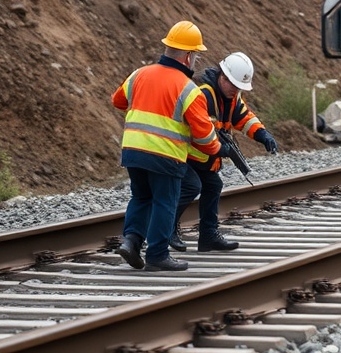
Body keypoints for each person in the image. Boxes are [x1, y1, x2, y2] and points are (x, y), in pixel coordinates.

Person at [111, 20, 224, 272]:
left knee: (141, 197)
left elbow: (118, 100)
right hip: (165, 155)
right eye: (196, 55)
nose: (196, 61)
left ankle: (131, 241)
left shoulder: (139, 74)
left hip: (132, 150)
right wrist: (217, 149)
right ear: (187, 56)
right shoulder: (188, 89)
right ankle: (157, 255)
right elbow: (204, 136)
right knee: (165, 201)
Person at [169, 51, 278, 253]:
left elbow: (244, 118)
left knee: (213, 185)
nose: (236, 91)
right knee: (190, 187)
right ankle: (167, 228)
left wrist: (262, 134)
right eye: (234, 85)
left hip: (203, 156)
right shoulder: (203, 93)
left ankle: (208, 236)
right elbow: (201, 132)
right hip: (184, 154)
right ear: (223, 76)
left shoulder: (231, 96)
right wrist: (221, 148)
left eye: (239, 87)